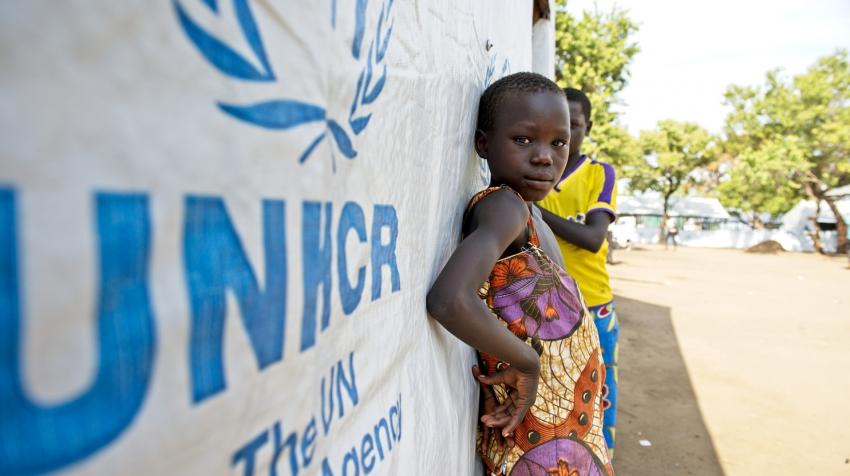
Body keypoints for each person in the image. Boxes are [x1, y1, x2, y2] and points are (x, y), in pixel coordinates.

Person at [427, 73, 613, 475]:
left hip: (566, 433)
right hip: (537, 435)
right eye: (523, 140)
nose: (544, 156)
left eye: (558, 142)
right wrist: (527, 363)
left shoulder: (532, 215)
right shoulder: (504, 207)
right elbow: (448, 299)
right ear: (483, 143)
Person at [537, 88, 620, 457]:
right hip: (546, 305)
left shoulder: (599, 174)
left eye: (576, 124)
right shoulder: (536, 167)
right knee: (555, 393)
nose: (569, 132)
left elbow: (592, 237)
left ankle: (600, 460)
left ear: (588, 127)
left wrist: (536, 213)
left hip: (593, 303)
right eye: (561, 125)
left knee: (599, 394)